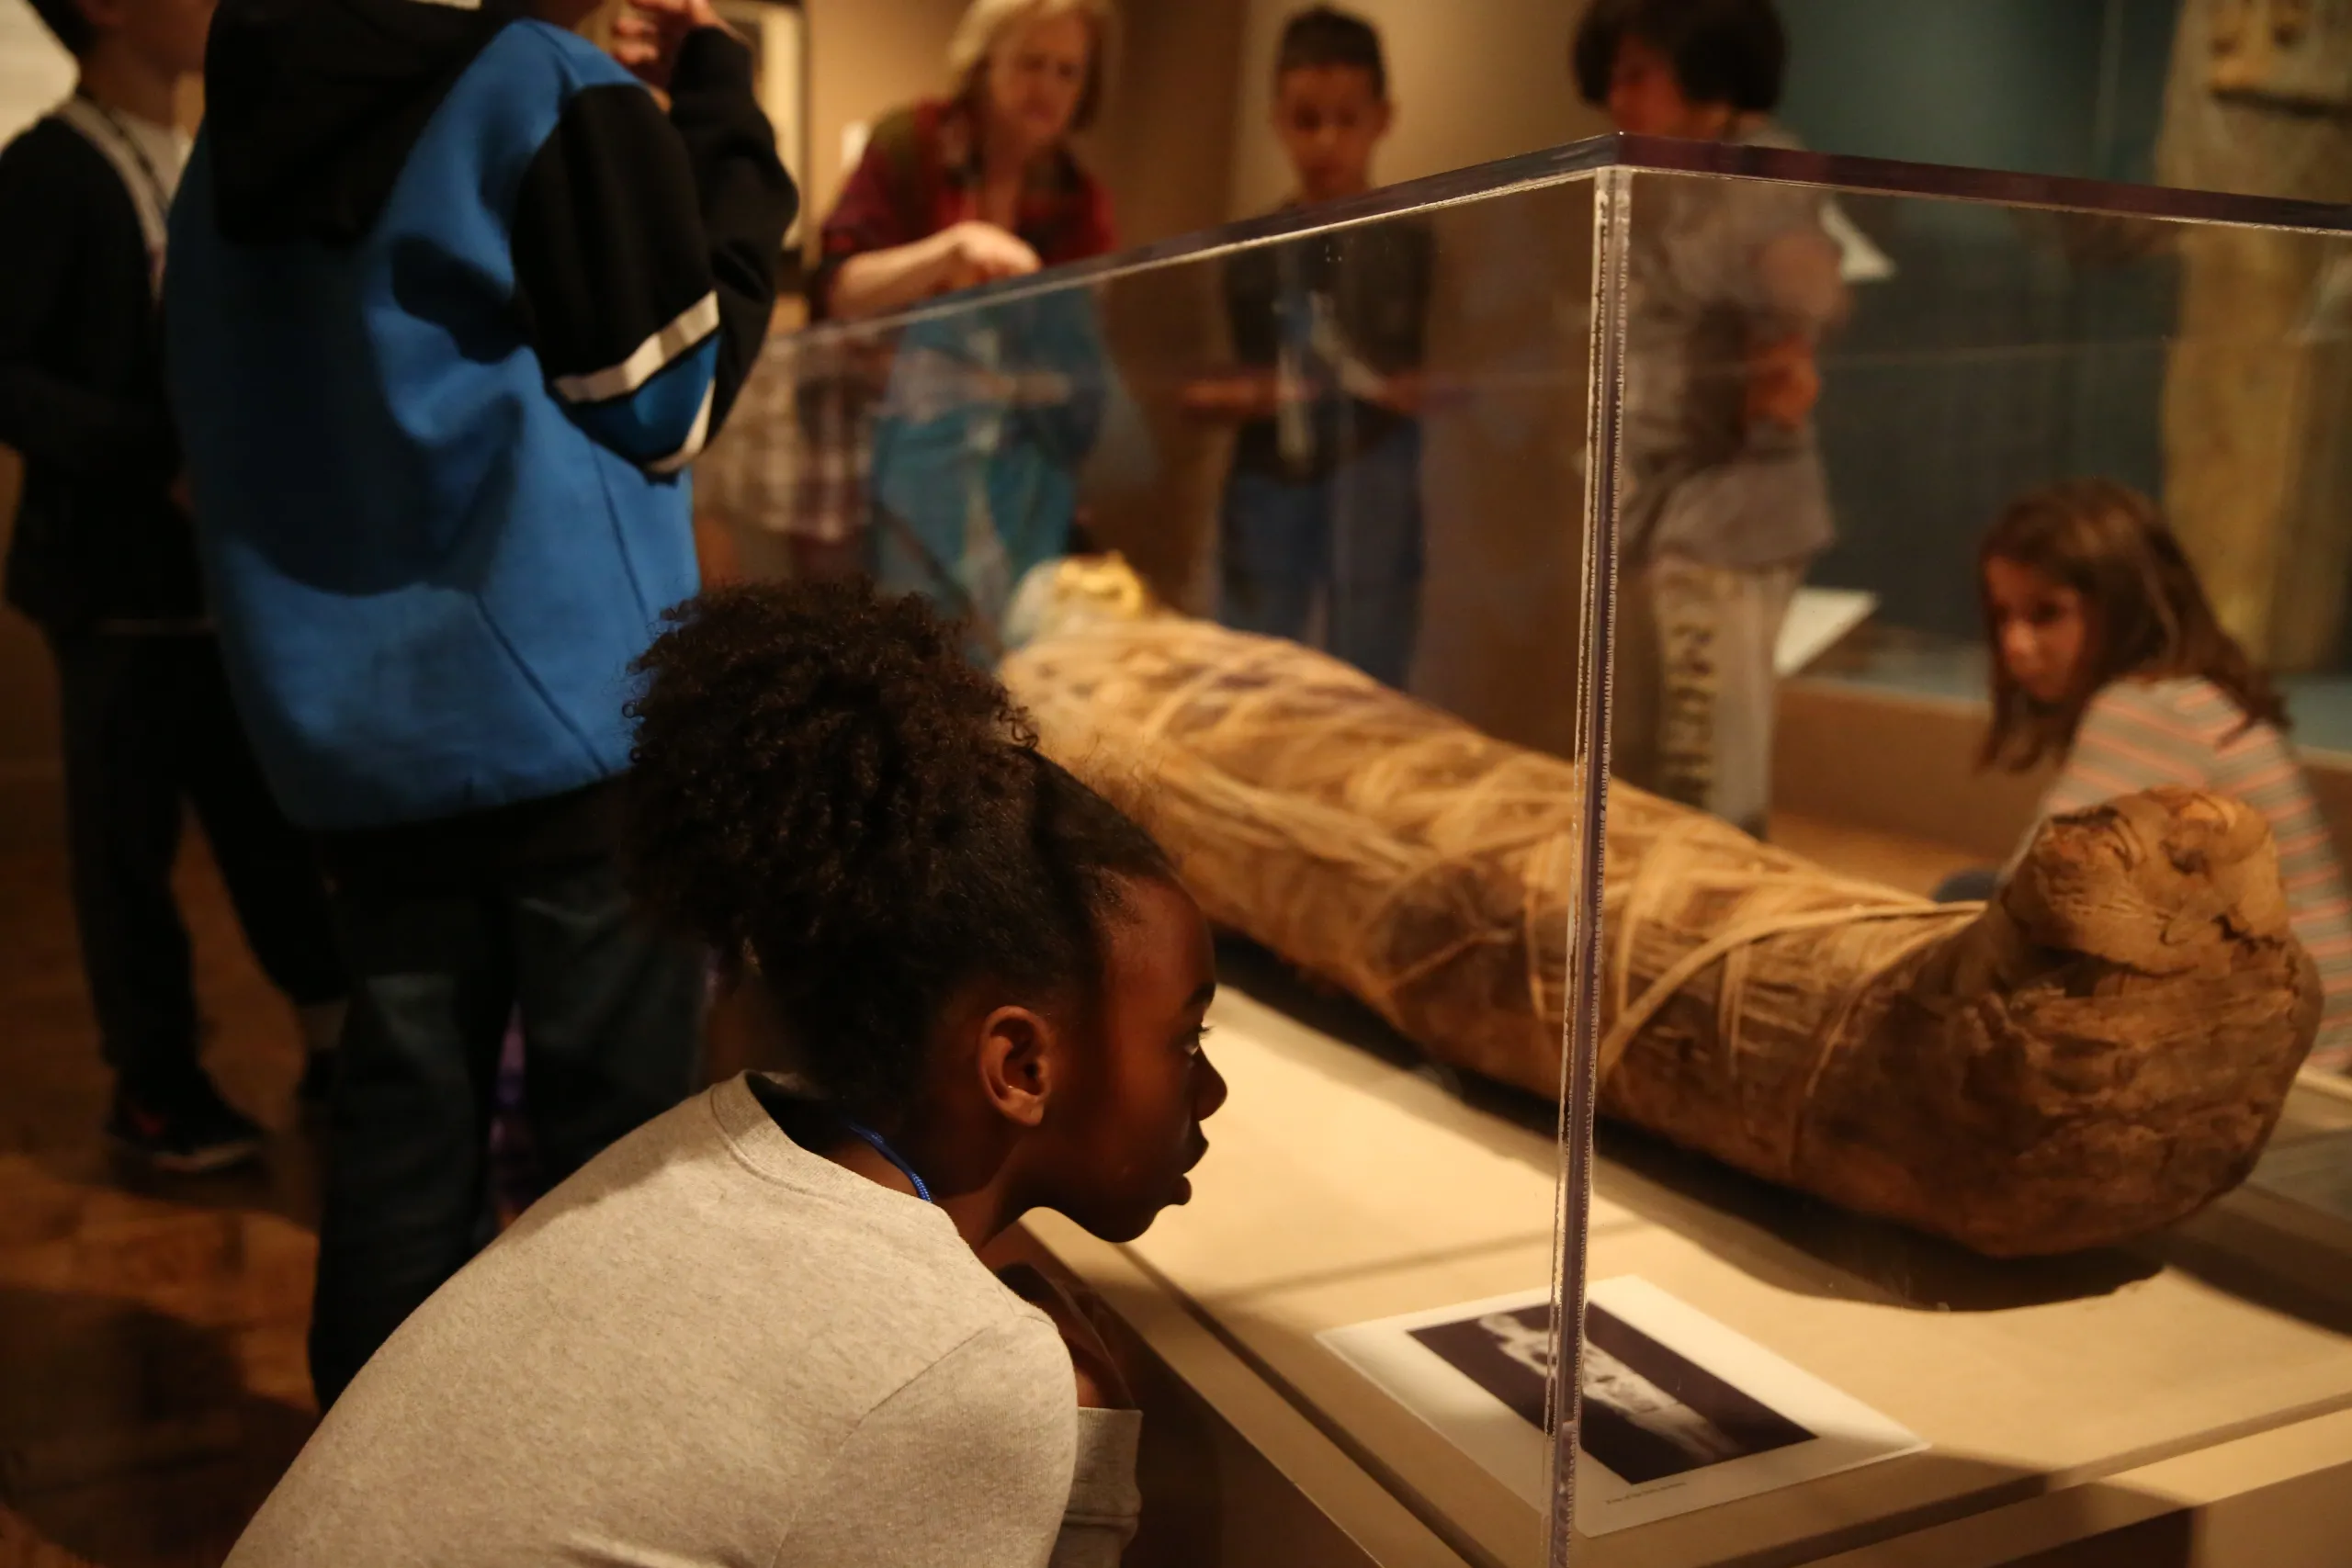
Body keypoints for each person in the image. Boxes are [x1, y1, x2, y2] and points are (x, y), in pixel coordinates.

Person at [221, 579, 1227, 1568]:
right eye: (1187, 1041)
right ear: (1017, 1064)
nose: (1210, 1091)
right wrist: (1086, 1469)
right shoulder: (962, 1364)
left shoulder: (695, 1151)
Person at [164, 0, 798, 1404]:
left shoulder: (231, 132)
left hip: (350, 739)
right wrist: (718, 109)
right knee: (612, 1163)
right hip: (572, 716)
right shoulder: (539, 87)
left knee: (400, 1138)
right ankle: (586, 1484)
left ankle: (377, 1501)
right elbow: (669, 400)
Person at [0, 0, 346, 1172]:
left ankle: (333, 1042)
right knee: (126, 851)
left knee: (272, 833)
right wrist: (158, 455)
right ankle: (151, 1086)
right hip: (113, 583)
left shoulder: (211, 153)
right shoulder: (49, 168)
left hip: (234, 586)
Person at [1949, 479, 2352, 1075]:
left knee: (1960, 922)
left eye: (2046, 613)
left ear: (2125, 602)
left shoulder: (2146, 707)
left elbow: (2027, 901)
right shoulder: (2187, 694)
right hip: (2311, 1019)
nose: (2015, 643)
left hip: (2298, 1053)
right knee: (1968, 894)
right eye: (2002, 614)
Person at [1572, 0, 1844, 839]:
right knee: (1674, 770)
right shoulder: (1684, 188)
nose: (1619, 97)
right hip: (1680, 520)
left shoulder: (1753, 183)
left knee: (1709, 779)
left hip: (1723, 523)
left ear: (1706, 73)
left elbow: (1812, 291)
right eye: (1614, 75)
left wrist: (1779, 363)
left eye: (1639, 74)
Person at [789, 0, 1120, 584]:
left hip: (1007, 463)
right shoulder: (911, 144)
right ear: (986, 60)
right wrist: (952, 250)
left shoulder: (1079, 201)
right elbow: (836, 290)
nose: (1046, 86)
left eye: (1067, 71)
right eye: (1030, 62)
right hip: (872, 447)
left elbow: (1075, 369)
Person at [1188, 6, 1431, 690]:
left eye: (1346, 120)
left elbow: (1460, 379)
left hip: (1377, 475)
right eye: (1306, 120)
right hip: (1269, 484)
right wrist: (1265, 392)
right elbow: (1190, 385)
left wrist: (1390, 387)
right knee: (1252, 676)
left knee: (1371, 675)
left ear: (1382, 118)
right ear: (1277, 120)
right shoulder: (1250, 251)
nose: (1326, 142)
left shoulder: (1411, 244)